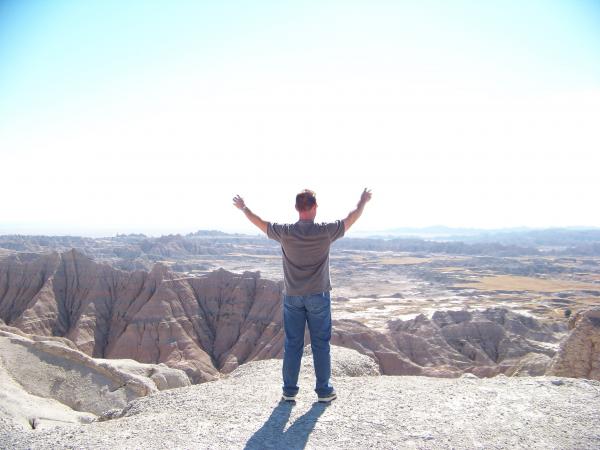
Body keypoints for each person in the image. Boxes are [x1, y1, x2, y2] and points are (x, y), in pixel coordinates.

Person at [233, 188, 372, 403]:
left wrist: (243, 208)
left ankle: (289, 391)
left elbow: (260, 222)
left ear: (297, 208)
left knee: (293, 344)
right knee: (320, 344)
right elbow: (351, 218)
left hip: (293, 297)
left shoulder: (285, 232)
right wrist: (363, 201)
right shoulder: (326, 231)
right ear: (315, 207)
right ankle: (324, 391)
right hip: (319, 296)